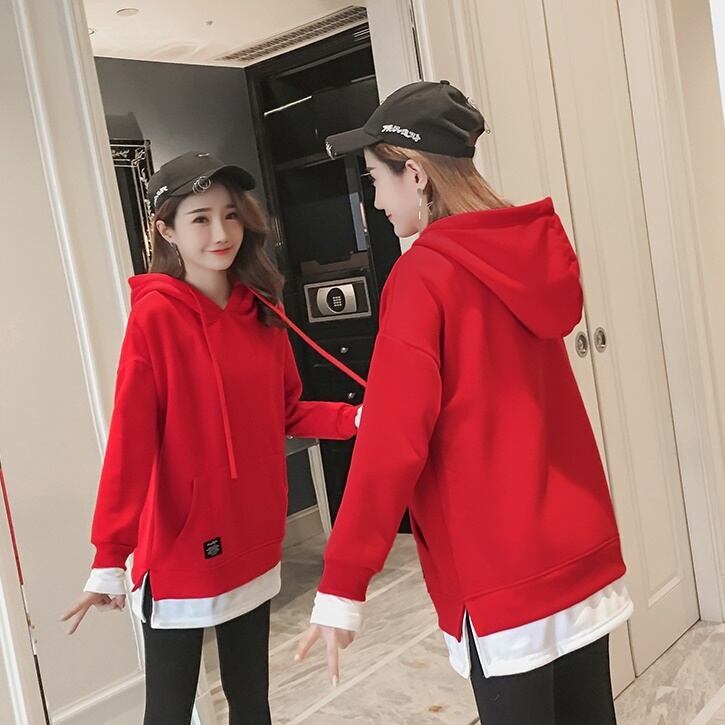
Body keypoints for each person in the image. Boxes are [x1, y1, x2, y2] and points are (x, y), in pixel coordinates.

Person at [297, 81, 633, 725]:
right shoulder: (524, 257)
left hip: (498, 571)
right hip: (576, 547)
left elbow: (392, 444)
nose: (376, 200)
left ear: (416, 174)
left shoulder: (423, 276)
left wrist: (342, 584)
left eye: (376, 179)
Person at [62, 151, 360, 724]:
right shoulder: (155, 318)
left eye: (229, 214)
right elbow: (130, 443)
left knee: (252, 703)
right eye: (200, 218)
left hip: (253, 534)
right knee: (169, 711)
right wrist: (110, 555)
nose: (221, 233)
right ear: (166, 230)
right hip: (182, 547)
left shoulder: (264, 311)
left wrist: (358, 420)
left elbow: (287, 412)